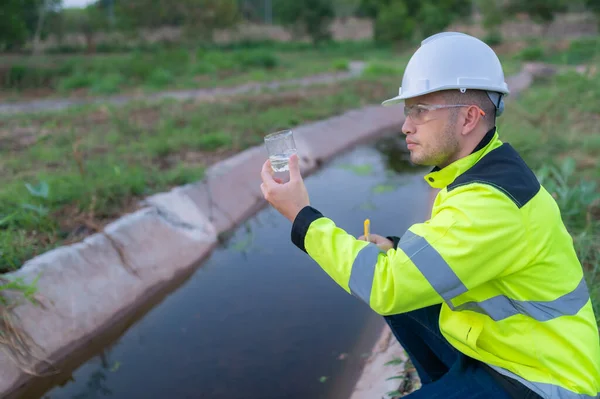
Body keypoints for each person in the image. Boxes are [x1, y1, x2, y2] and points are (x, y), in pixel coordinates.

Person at [259, 32, 600, 399]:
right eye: (408, 111)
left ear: (469, 117)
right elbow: (455, 247)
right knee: (399, 279)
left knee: (390, 281)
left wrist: (301, 216)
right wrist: (395, 245)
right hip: (508, 351)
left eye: (420, 111)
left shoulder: (490, 202)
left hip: (544, 381)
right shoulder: (481, 170)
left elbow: (385, 286)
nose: (406, 126)